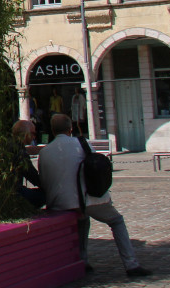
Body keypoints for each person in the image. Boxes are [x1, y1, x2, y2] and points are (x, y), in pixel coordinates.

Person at [38, 113, 150, 278]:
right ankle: (131, 264)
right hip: (86, 198)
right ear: (71, 128)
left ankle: (83, 260)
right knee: (116, 221)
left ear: (53, 131)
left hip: (59, 202)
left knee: (82, 219)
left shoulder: (45, 152)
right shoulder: (80, 144)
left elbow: (44, 180)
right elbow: (94, 167)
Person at [10, 119, 44, 208]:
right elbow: (31, 174)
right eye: (33, 134)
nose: (34, 137)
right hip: (14, 193)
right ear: (26, 134)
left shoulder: (10, 144)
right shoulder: (18, 149)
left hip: (11, 191)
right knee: (46, 195)